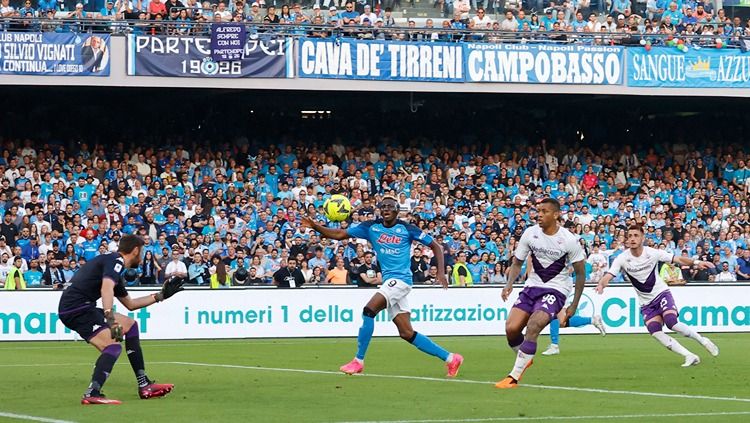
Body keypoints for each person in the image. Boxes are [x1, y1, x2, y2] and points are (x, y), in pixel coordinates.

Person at [301, 195, 463, 377]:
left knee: (369, 310)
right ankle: (451, 358)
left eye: (390, 206)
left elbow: (436, 246)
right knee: (406, 332)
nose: (386, 209)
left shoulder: (407, 228)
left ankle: (358, 361)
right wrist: (315, 226)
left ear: (396, 210)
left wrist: (440, 272)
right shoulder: (371, 227)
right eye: (383, 206)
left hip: (401, 280)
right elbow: (340, 234)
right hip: (390, 282)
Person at [57, 235, 185, 404]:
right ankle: (92, 392)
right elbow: (106, 288)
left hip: (80, 307)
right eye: (143, 251)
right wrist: (110, 318)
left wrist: (160, 296)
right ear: (136, 250)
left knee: (131, 325)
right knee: (113, 347)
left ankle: (144, 384)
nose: (142, 256)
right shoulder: (115, 261)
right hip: (77, 309)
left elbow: (130, 304)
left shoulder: (113, 267)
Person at [596, 225, 719, 367]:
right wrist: (601, 284)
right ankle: (689, 355)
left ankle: (703, 340)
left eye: (636, 235)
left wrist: (697, 262)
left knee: (672, 322)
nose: (633, 238)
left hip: (661, 294)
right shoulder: (622, 258)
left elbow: (677, 259)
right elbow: (610, 274)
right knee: (655, 331)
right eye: (630, 236)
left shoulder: (652, 253)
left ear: (642, 238)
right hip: (646, 303)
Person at [496, 198, 587, 389]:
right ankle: (525, 358)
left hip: (556, 289)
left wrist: (574, 304)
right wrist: (509, 284)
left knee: (534, 324)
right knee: (511, 329)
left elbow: (580, 273)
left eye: (544, 211)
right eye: (538, 210)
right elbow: (517, 262)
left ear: (556, 215)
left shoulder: (569, 240)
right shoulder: (530, 233)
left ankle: (514, 376)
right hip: (531, 287)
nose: (539, 214)